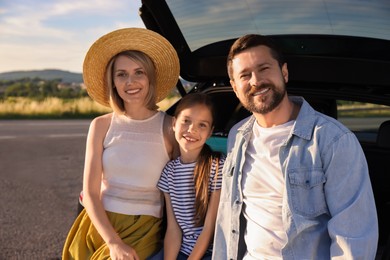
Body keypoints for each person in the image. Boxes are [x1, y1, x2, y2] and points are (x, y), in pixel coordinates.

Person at [212, 34, 379, 259]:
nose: (255, 81)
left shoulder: (334, 140)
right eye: (245, 75)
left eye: (264, 68)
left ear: (284, 72)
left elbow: (352, 240)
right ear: (234, 87)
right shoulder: (237, 136)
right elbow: (227, 219)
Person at [62, 28, 180, 260]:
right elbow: (91, 193)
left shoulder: (170, 126)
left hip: (144, 228)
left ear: (150, 77)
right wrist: (113, 242)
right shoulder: (101, 125)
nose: (131, 81)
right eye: (122, 74)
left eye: (139, 72)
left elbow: (177, 192)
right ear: (113, 81)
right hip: (99, 226)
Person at [157, 93, 225, 259]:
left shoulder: (217, 166)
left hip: (212, 253)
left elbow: (209, 230)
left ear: (210, 133)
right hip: (182, 251)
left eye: (202, 125)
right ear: (174, 123)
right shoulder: (168, 172)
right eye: (186, 121)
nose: (192, 129)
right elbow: (173, 229)